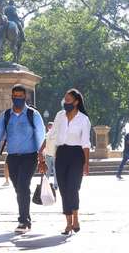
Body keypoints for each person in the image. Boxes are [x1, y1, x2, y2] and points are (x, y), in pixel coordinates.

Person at [0, 84, 45, 233]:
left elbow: (40, 136)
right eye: (15, 96)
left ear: (25, 97)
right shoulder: (6, 115)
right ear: (11, 97)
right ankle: (26, 217)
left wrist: (42, 157)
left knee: (23, 186)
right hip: (12, 158)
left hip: (30, 157)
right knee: (19, 189)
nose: (17, 99)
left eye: (20, 96)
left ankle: (23, 221)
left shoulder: (33, 115)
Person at [38, 89, 91, 236]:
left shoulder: (83, 119)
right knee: (63, 189)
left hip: (76, 155)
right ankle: (68, 223)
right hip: (61, 154)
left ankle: (76, 219)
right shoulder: (60, 116)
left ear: (76, 102)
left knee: (73, 188)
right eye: (65, 100)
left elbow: (86, 143)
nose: (65, 103)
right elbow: (51, 134)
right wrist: (41, 150)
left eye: (68, 100)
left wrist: (86, 164)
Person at [44, 122, 58, 190]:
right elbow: (44, 145)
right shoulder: (46, 135)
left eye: (51, 126)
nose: (50, 128)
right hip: (48, 155)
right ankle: (45, 184)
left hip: (55, 156)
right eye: (49, 126)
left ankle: (55, 185)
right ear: (48, 127)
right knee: (47, 171)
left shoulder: (56, 135)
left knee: (55, 171)